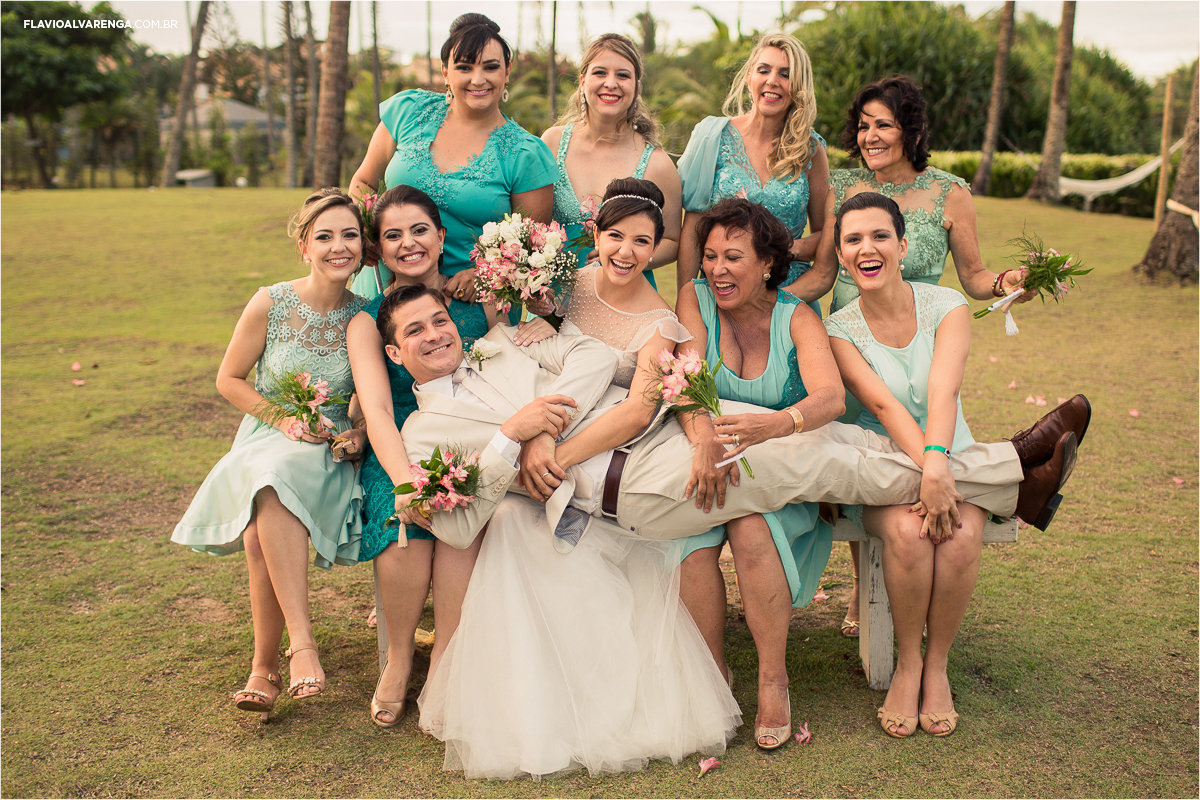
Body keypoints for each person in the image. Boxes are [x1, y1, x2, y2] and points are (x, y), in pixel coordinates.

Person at [418, 179, 741, 778]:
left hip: (597, 449)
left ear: (657, 247)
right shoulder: (564, 281)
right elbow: (523, 347)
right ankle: (515, 686)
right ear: (595, 234)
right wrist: (537, 330)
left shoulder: (662, 325)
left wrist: (555, 453)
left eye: (641, 242)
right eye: (615, 236)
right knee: (512, 518)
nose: (626, 251)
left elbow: (639, 410)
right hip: (534, 417)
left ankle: (587, 689)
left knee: (530, 521)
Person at [823, 192, 1089, 738]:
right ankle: (908, 663)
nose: (866, 249)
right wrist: (930, 470)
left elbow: (943, 392)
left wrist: (940, 465)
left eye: (879, 236)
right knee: (906, 532)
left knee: (963, 534)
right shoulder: (839, 328)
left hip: (951, 455)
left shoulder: (947, 305)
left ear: (903, 245)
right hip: (880, 466)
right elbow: (883, 406)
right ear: (841, 254)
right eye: (853, 240)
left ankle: (936, 664)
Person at [788, 75, 1037, 638]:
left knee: (922, 441)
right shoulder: (844, 187)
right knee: (866, 462)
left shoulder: (950, 192)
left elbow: (974, 278)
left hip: (922, 348)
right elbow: (825, 272)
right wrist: (761, 303)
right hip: (854, 349)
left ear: (911, 130)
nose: (870, 135)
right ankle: (862, 583)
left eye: (884, 124)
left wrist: (1013, 280)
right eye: (864, 125)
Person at [345, 186, 555, 727]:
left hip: (478, 440)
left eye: (420, 230)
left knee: (468, 513)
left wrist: (543, 318)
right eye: (393, 235)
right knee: (406, 521)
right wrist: (403, 480)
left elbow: (510, 371)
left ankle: (447, 654)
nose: (409, 243)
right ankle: (397, 660)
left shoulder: (476, 297)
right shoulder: (367, 320)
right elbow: (375, 411)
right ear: (379, 249)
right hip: (397, 444)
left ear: (441, 237)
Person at [171, 189, 368, 720]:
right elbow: (228, 379)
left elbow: (370, 399)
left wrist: (359, 433)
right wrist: (280, 418)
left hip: (324, 448)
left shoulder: (365, 316)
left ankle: (267, 667)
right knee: (269, 479)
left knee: (265, 516)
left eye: (349, 235)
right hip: (266, 435)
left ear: (363, 248)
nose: (338, 246)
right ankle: (298, 647)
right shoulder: (271, 301)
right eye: (324, 236)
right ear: (304, 246)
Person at [672, 198, 844, 749]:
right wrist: (703, 440)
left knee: (750, 529)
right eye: (711, 256)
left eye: (734, 257)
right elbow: (690, 382)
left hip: (779, 479)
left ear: (768, 263)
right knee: (692, 537)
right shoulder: (694, 299)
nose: (717, 269)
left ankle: (774, 677)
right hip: (712, 463)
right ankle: (713, 673)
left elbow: (830, 397)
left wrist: (776, 426)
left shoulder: (797, 315)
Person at [348, 13, 556, 304]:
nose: (478, 79)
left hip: (461, 300)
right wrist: (363, 231)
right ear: (445, 72)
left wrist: (484, 273)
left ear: (507, 72)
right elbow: (364, 181)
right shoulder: (409, 112)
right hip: (383, 282)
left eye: (491, 67)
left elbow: (532, 247)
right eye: (464, 67)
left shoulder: (526, 155)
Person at [676, 32, 829, 315]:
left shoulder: (811, 149)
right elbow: (693, 228)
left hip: (789, 298)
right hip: (722, 296)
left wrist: (776, 252)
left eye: (785, 74)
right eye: (764, 70)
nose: (772, 80)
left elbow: (824, 235)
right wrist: (686, 307)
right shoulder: (711, 137)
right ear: (749, 77)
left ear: (799, 86)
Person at [541, 34, 682, 287]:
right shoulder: (551, 143)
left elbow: (672, 242)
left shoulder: (657, 163)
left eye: (623, 75)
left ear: (637, 87)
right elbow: (534, 225)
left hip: (625, 299)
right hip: (555, 300)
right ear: (583, 81)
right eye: (600, 73)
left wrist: (624, 259)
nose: (611, 83)